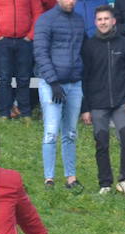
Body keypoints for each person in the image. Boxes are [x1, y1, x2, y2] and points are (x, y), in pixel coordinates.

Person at [81, 4, 125, 197]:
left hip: (122, 102)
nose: (103, 22)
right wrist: (85, 108)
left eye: (106, 19)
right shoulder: (89, 46)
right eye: (99, 19)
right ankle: (105, 183)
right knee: (101, 141)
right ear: (95, 22)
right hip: (97, 103)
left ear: (113, 21)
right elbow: (84, 78)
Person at [34, 0, 86, 190]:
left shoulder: (79, 20)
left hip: (74, 83)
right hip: (51, 84)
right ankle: (49, 178)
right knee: (51, 131)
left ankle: (71, 177)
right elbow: (40, 52)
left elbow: (83, 50)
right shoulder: (45, 20)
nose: (71, 1)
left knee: (70, 132)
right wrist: (53, 81)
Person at [0, 0, 41, 118]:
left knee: (24, 78)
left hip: (24, 40)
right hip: (4, 41)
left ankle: (25, 113)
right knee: (5, 79)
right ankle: (4, 113)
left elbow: (38, 12)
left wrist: (31, 35)